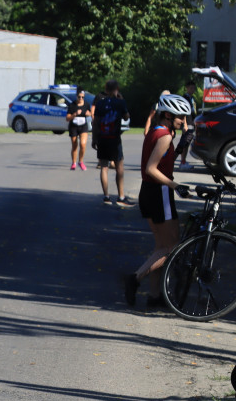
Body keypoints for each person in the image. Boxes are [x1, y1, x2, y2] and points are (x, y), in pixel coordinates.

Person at [124, 93, 193, 308]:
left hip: (149, 192)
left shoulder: (157, 132)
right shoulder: (164, 136)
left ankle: (155, 296)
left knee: (161, 247)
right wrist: (176, 186)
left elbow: (162, 158)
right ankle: (135, 278)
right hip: (159, 192)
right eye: (180, 117)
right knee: (172, 247)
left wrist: (181, 145)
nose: (183, 121)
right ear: (167, 115)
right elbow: (151, 169)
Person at [92, 79, 132, 207]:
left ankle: (106, 196)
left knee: (104, 167)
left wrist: (94, 139)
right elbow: (127, 117)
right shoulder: (120, 102)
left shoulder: (100, 104)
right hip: (114, 139)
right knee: (119, 167)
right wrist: (121, 100)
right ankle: (121, 196)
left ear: (106, 89)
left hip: (102, 137)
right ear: (117, 89)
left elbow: (95, 123)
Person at [66, 89, 91, 170]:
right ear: (76, 96)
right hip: (74, 126)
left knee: (83, 144)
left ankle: (81, 161)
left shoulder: (86, 104)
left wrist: (88, 114)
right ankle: (74, 163)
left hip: (83, 126)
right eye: (79, 97)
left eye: (82, 97)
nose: (81, 98)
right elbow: (67, 118)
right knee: (74, 145)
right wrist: (75, 114)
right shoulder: (72, 105)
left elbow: (90, 113)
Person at [178, 80, 198, 170]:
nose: (192, 90)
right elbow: (183, 112)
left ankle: (183, 161)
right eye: (191, 88)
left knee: (187, 143)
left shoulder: (192, 98)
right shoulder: (185, 98)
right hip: (188, 124)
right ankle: (182, 162)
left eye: (194, 88)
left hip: (192, 123)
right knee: (184, 143)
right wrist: (184, 124)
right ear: (187, 88)